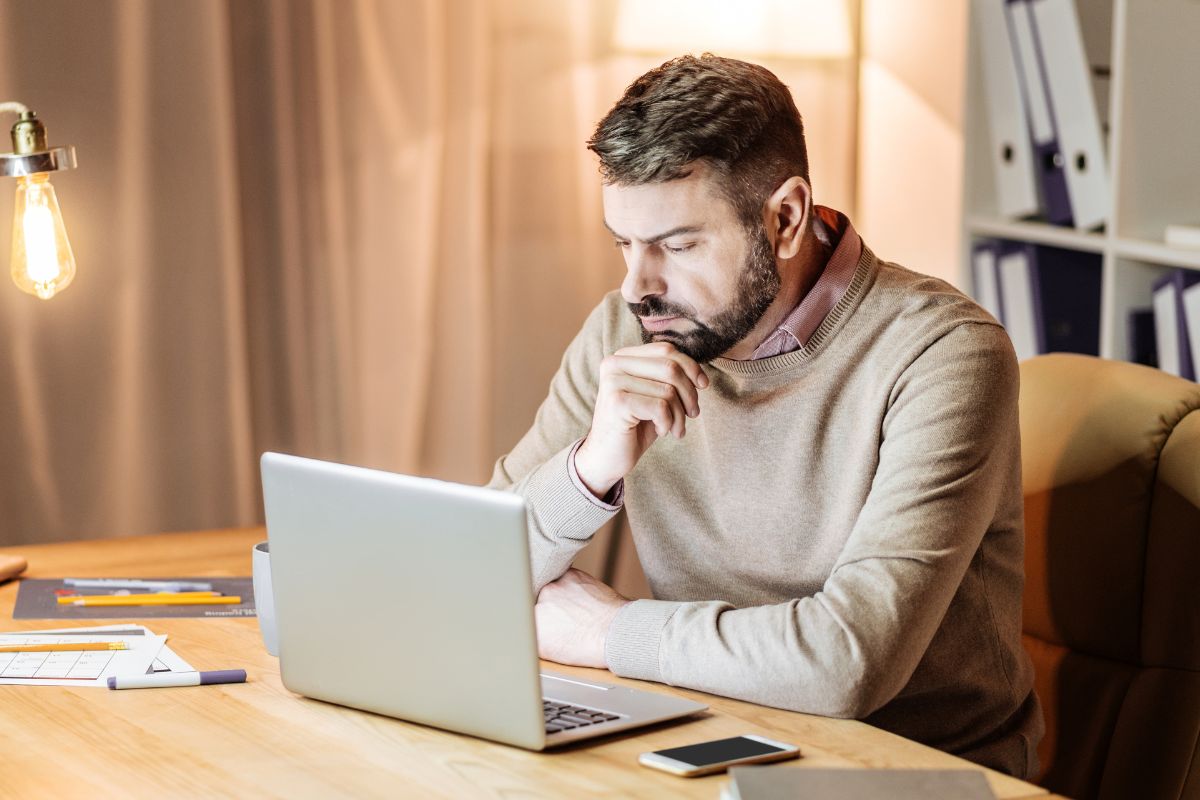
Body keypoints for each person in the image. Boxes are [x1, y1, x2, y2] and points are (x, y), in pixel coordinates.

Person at [488, 54, 1043, 778]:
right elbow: (478, 568)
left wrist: (611, 632)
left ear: (784, 217)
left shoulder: (942, 355)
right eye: (623, 243)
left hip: (910, 774)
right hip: (713, 728)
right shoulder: (630, 331)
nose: (636, 285)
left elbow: (848, 662)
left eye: (677, 246)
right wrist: (590, 469)